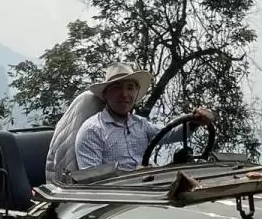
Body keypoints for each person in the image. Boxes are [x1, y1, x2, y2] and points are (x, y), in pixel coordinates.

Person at [74, 63, 214, 172]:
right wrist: (135, 175)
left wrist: (195, 122)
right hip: (117, 203)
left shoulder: (140, 124)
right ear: (105, 94)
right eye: (117, 88)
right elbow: (91, 182)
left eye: (130, 88)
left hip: (152, 191)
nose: (124, 94)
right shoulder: (93, 130)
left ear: (136, 93)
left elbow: (169, 134)